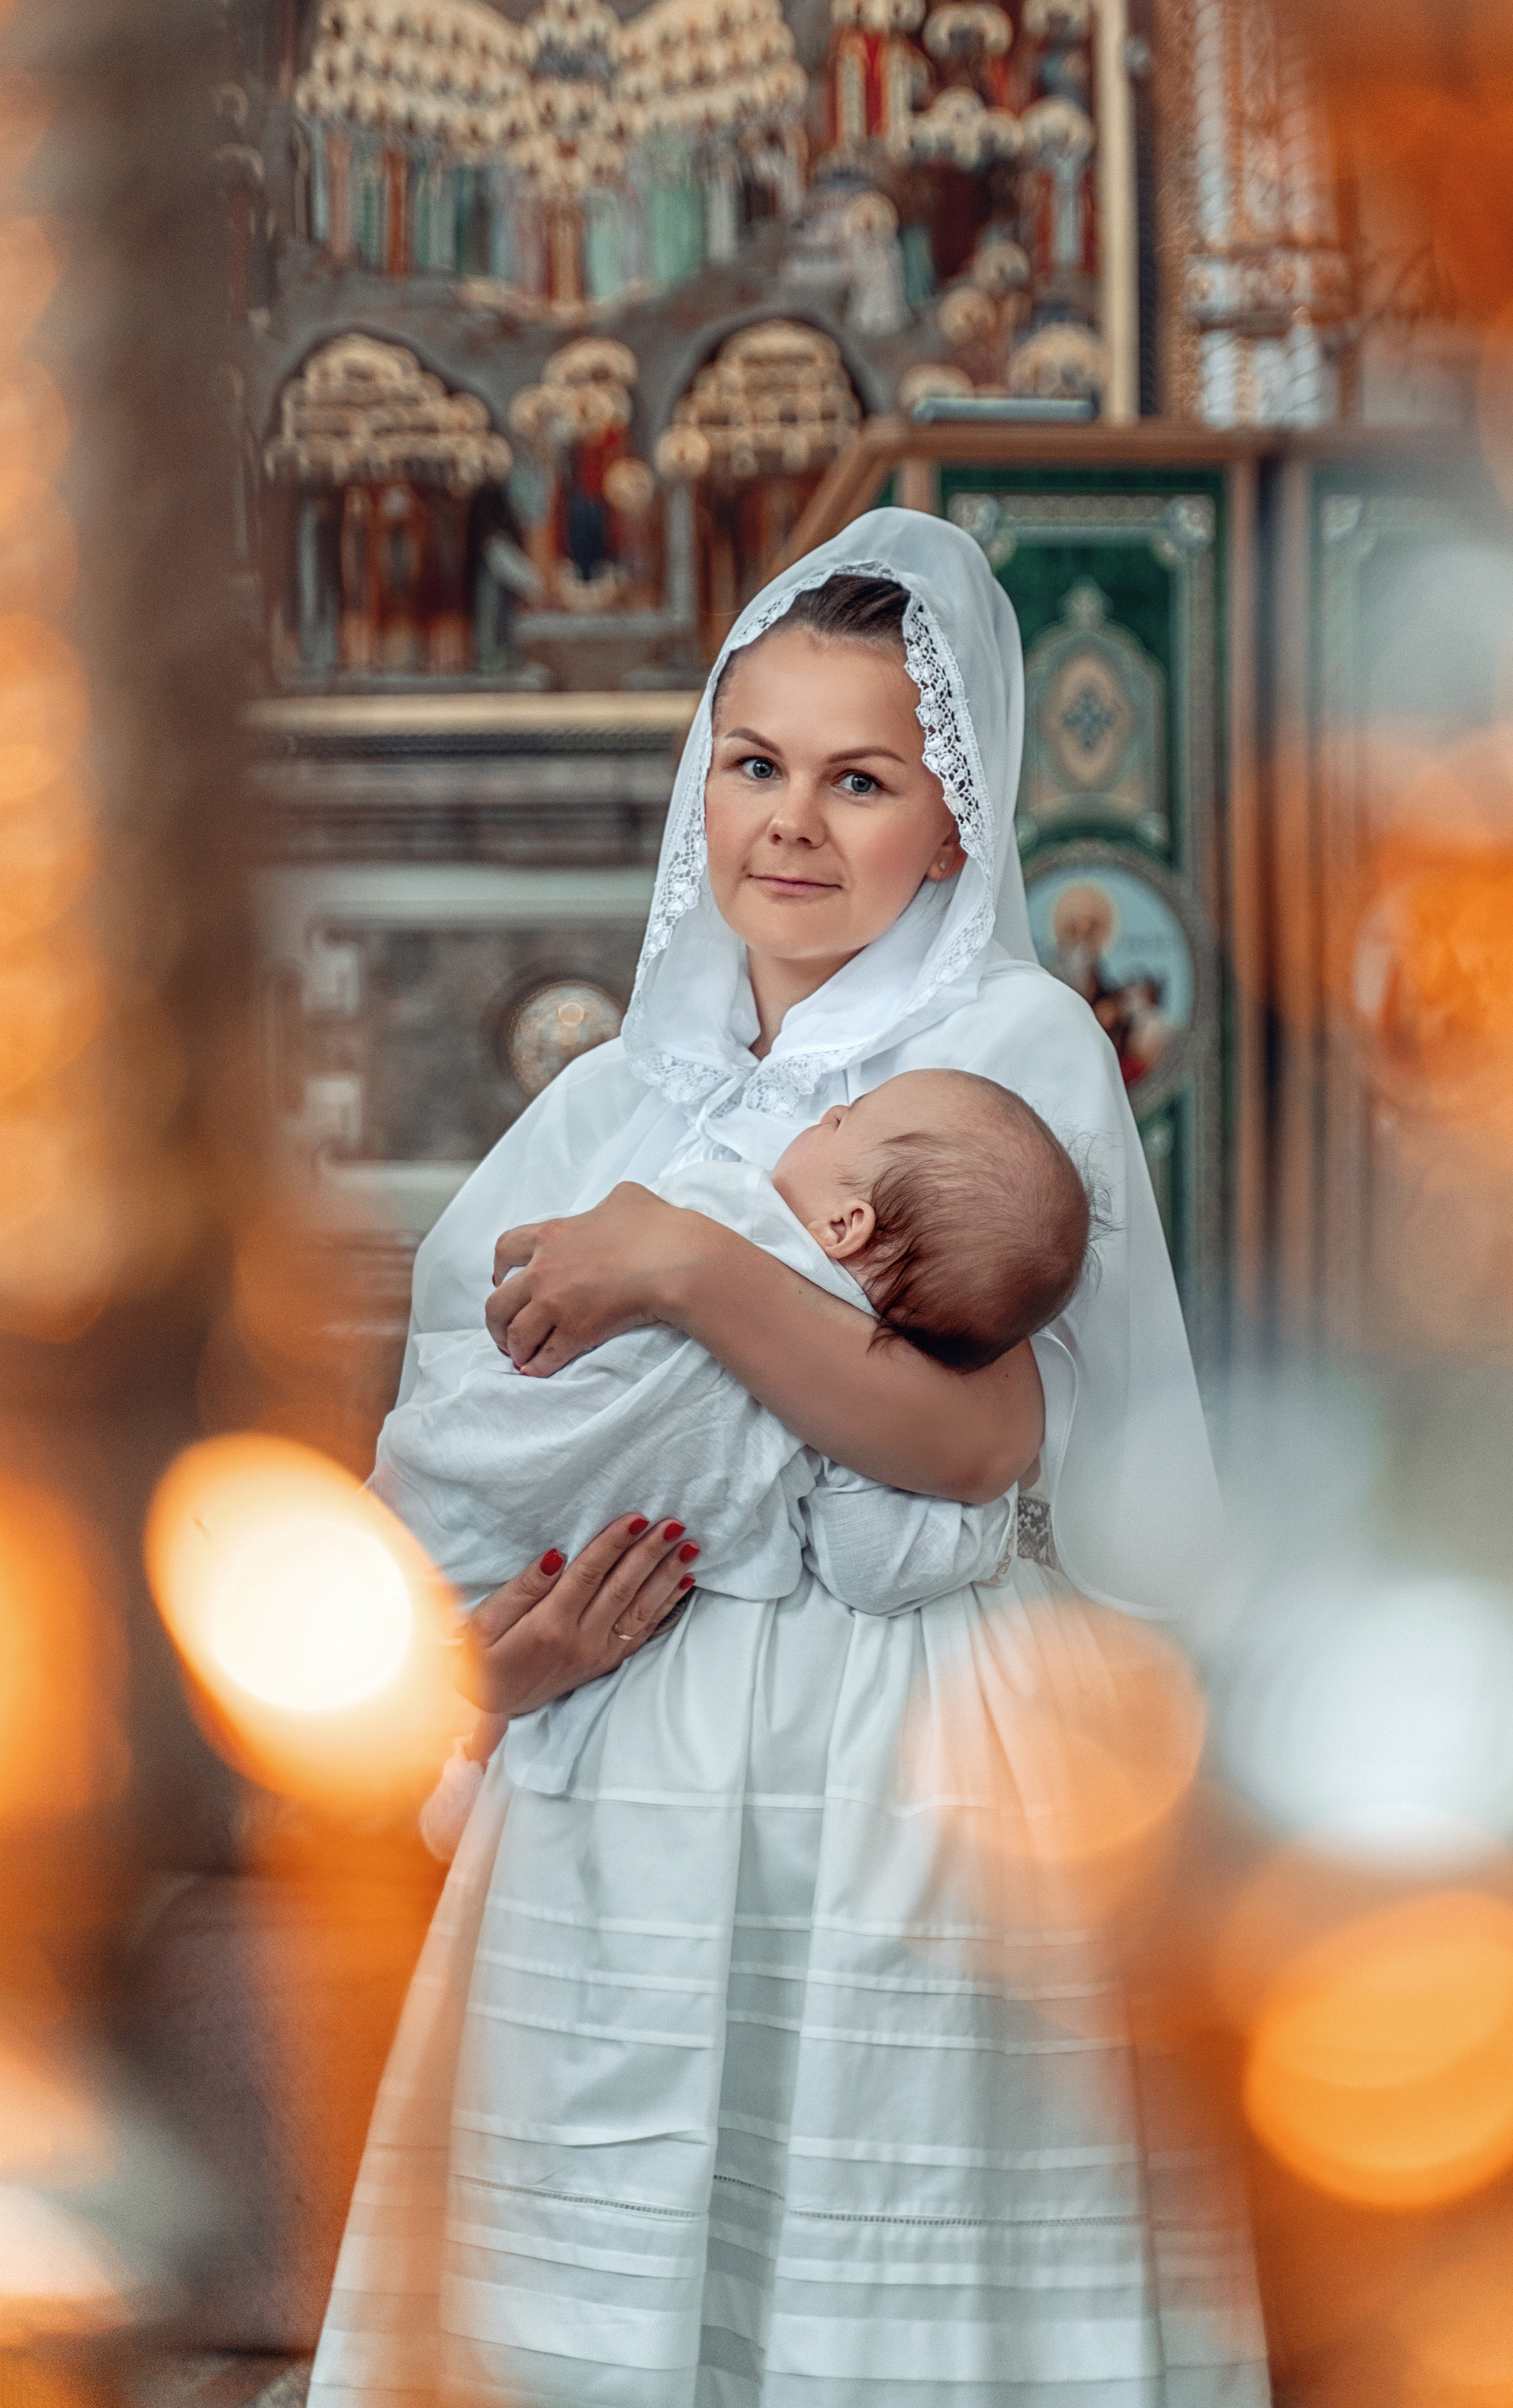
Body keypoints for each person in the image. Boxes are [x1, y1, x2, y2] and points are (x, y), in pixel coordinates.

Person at [312, 513, 1266, 2408]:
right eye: (754, 766)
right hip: (625, 1732)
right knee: (604, 2242)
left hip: (898, 1739)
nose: (794, 826)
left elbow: (980, 1435)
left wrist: (682, 1260)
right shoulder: (616, 1092)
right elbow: (478, 1403)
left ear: (954, 820)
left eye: (861, 781)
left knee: (869, 2237)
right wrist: (492, 1659)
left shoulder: (1002, 1048)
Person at [380, 1066, 1090, 1847]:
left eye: (845, 1119)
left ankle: (454, 1751)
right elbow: (877, 1566)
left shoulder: (716, 1204)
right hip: (719, 1730)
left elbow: (983, 1442)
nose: (831, 1109)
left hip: (457, 1467)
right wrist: (986, 1531)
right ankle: (460, 1761)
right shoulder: (844, 1393)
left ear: (847, 1223)